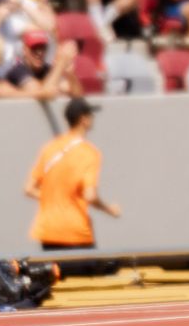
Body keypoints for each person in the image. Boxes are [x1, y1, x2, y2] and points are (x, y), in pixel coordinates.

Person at [26, 97, 120, 249]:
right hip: (75, 232)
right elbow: (90, 195)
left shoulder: (49, 148)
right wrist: (110, 209)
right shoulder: (89, 153)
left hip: (49, 230)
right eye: (90, 115)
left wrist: (55, 198)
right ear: (84, 119)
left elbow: (29, 189)